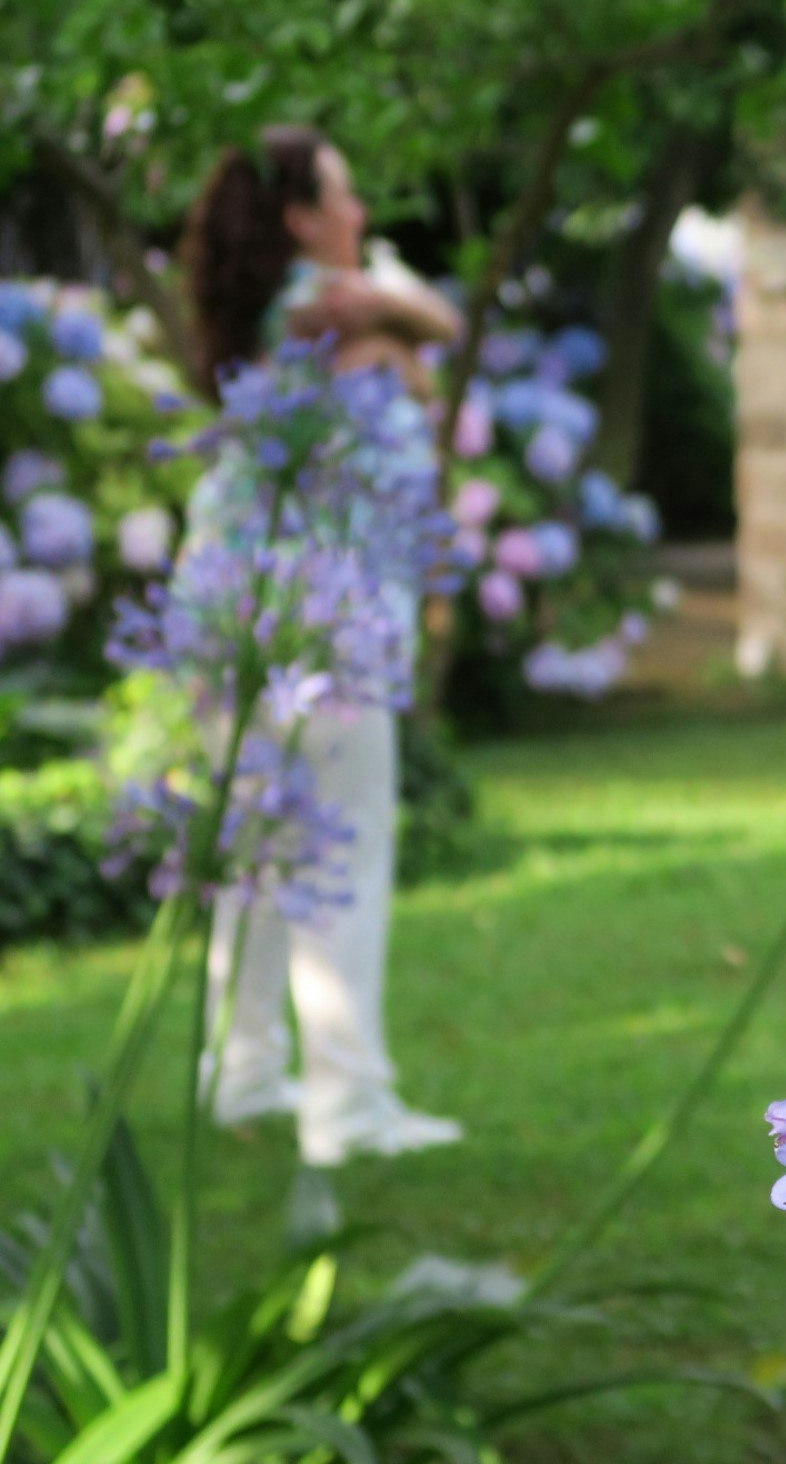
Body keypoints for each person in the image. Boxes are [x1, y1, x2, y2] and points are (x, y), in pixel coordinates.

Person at [180, 123, 466, 1166]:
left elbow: (420, 342)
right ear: (301, 216)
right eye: (344, 196)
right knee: (339, 849)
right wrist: (395, 329)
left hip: (225, 610)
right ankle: (348, 1108)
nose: (361, 217)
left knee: (256, 854)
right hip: (320, 620)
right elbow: (423, 328)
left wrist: (397, 334)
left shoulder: (263, 316)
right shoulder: (312, 299)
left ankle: (246, 1070)